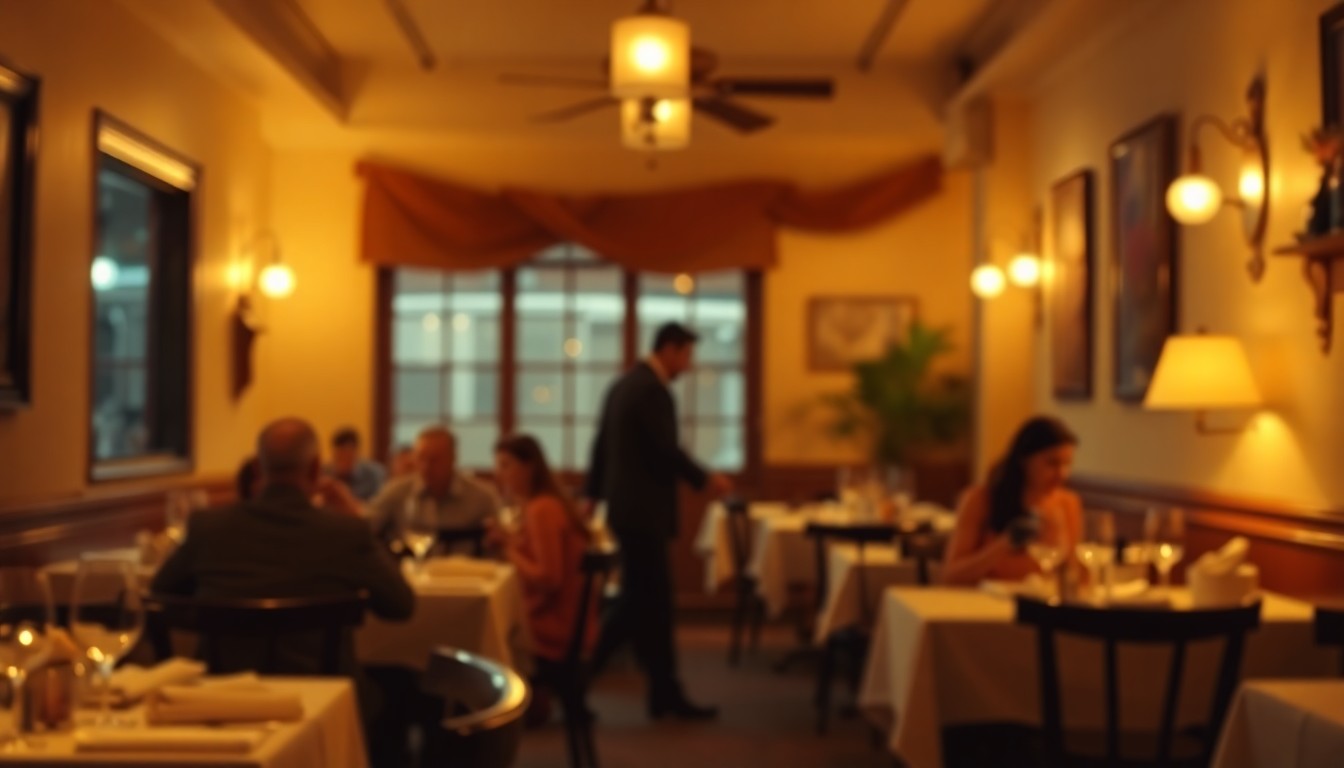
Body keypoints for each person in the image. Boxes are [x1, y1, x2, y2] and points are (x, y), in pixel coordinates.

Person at [151, 417, 416, 675]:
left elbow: (160, 592)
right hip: (321, 700)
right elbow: (401, 605)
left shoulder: (208, 528)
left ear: (256, 467)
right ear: (315, 469)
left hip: (223, 700)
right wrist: (357, 521)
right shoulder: (344, 533)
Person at [584, 322, 732, 721]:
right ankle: (579, 682)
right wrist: (705, 478)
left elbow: (599, 446)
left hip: (624, 510)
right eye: (686, 355)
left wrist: (592, 494)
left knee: (649, 606)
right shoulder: (652, 390)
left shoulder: (622, 385)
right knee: (641, 604)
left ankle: (663, 692)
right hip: (643, 513)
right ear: (669, 349)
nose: (688, 364)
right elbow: (666, 450)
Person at [486, 434, 595, 725]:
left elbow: (549, 578)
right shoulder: (546, 504)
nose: (500, 474)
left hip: (553, 626)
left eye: (506, 465)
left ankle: (490, 725)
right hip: (570, 621)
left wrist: (508, 550)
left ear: (529, 467)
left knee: (479, 631)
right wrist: (511, 540)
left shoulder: (542, 510)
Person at [941, 416, 1083, 586]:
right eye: (1052, 463)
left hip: (1039, 606)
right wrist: (1006, 543)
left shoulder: (1068, 503)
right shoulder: (980, 499)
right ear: (1024, 460)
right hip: (985, 605)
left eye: (1067, 464)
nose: (1062, 474)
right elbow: (951, 576)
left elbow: (1076, 577)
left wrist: (1062, 545)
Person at [365, 426, 499, 552]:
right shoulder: (397, 492)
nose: (426, 467)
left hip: (467, 575)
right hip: (409, 573)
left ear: (453, 458)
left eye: (434, 460)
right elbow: (366, 528)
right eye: (421, 458)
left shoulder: (482, 497)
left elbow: (496, 547)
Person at [325, 427, 387, 501]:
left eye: (348, 456)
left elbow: (377, 507)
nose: (344, 460)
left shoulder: (373, 474)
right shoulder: (326, 474)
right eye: (339, 457)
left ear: (356, 453)